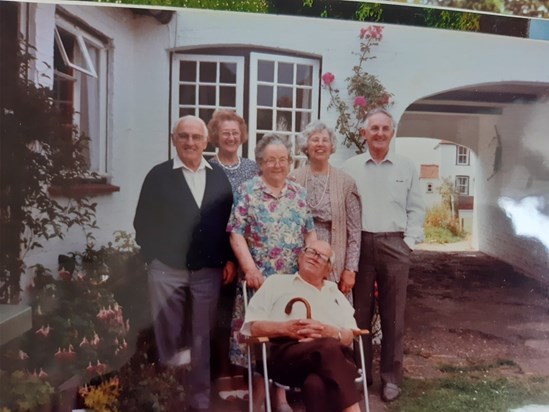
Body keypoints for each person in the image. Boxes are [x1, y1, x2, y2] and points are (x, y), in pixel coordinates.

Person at [134, 115, 236, 412]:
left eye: (196, 137)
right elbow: (143, 222)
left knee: (201, 337)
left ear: (206, 142)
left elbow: (227, 221)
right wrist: (153, 258)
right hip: (167, 269)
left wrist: (228, 259)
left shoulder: (218, 175)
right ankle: (168, 398)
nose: (190, 142)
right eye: (184, 136)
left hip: (208, 272)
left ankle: (199, 401)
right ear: (173, 139)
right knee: (169, 336)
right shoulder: (158, 176)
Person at [227, 132, 316, 412]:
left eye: (282, 159)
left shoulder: (298, 193)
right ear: (260, 163)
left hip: (291, 279)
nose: (277, 165)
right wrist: (249, 268)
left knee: (286, 336)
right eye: (270, 160)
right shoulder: (248, 191)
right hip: (260, 280)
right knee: (260, 337)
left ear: (290, 162)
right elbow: (235, 233)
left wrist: (311, 268)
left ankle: (279, 397)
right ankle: (259, 397)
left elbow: (310, 234)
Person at [342, 108, 425, 402]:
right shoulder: (350, 167)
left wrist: (409, 243)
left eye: (384, 129)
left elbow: (416, 208)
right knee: (359, 314)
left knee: (393, 316)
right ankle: (362, 374)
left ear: (392, 133)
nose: (379, 134)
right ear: (364, 133)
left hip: (394, 245)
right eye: (373, 128)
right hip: (360, 245)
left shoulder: (406, 167)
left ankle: (391, 378)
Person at [241, 240, 362, 412]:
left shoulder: (333, 291)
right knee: (327, 347)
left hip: (334, 356)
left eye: (322, 257)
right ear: (300, 257)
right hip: (289, 355)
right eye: (311, 251)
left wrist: (332, 332)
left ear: (329, 270)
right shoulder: (276, 283)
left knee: (315, 384)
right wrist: (285, 328)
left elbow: (352, 332)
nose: (314, 257)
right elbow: (253, 326)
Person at [207, 110, 259, 400]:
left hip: (250, 251)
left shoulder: (252, 168)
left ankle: (243, 372)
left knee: (248, 313)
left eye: (235, 132)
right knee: (223, 314)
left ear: (242, 136)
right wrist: (222, 258)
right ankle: (223, 372)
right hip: (221, 251)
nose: (230, 137)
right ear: (216, 135)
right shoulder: (208, 168)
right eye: (225, 132)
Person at [290, 120, 361, 300]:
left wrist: (350, 269)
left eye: (325, 140)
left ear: (331, 147)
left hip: (334, 260)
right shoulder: (293, 179)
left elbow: (354, 231)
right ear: (306, 146)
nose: (320, 144)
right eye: (315, 140)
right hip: (300, 258)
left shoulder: (346, 182)